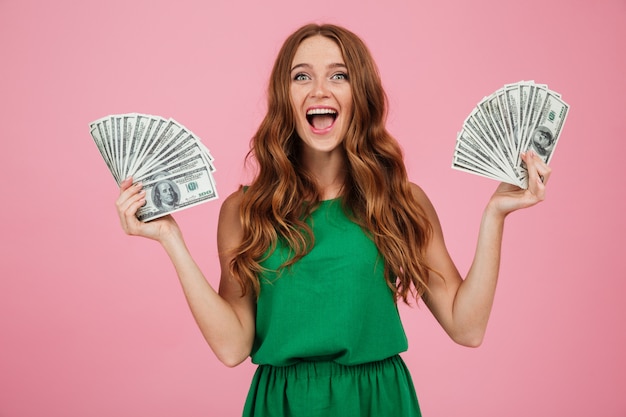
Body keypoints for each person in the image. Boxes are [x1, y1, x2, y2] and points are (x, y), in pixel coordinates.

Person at [115, 23, 552, 417]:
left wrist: (495, 214)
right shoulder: (245, 211)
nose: (319, 90)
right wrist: (170, 238)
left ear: (358, 94)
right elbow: (232, 347)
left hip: (379, 402)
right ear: (284, 97)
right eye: (301, 76)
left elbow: (467, 326)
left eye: (338, 75)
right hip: (282, 403)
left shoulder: (401, 201)